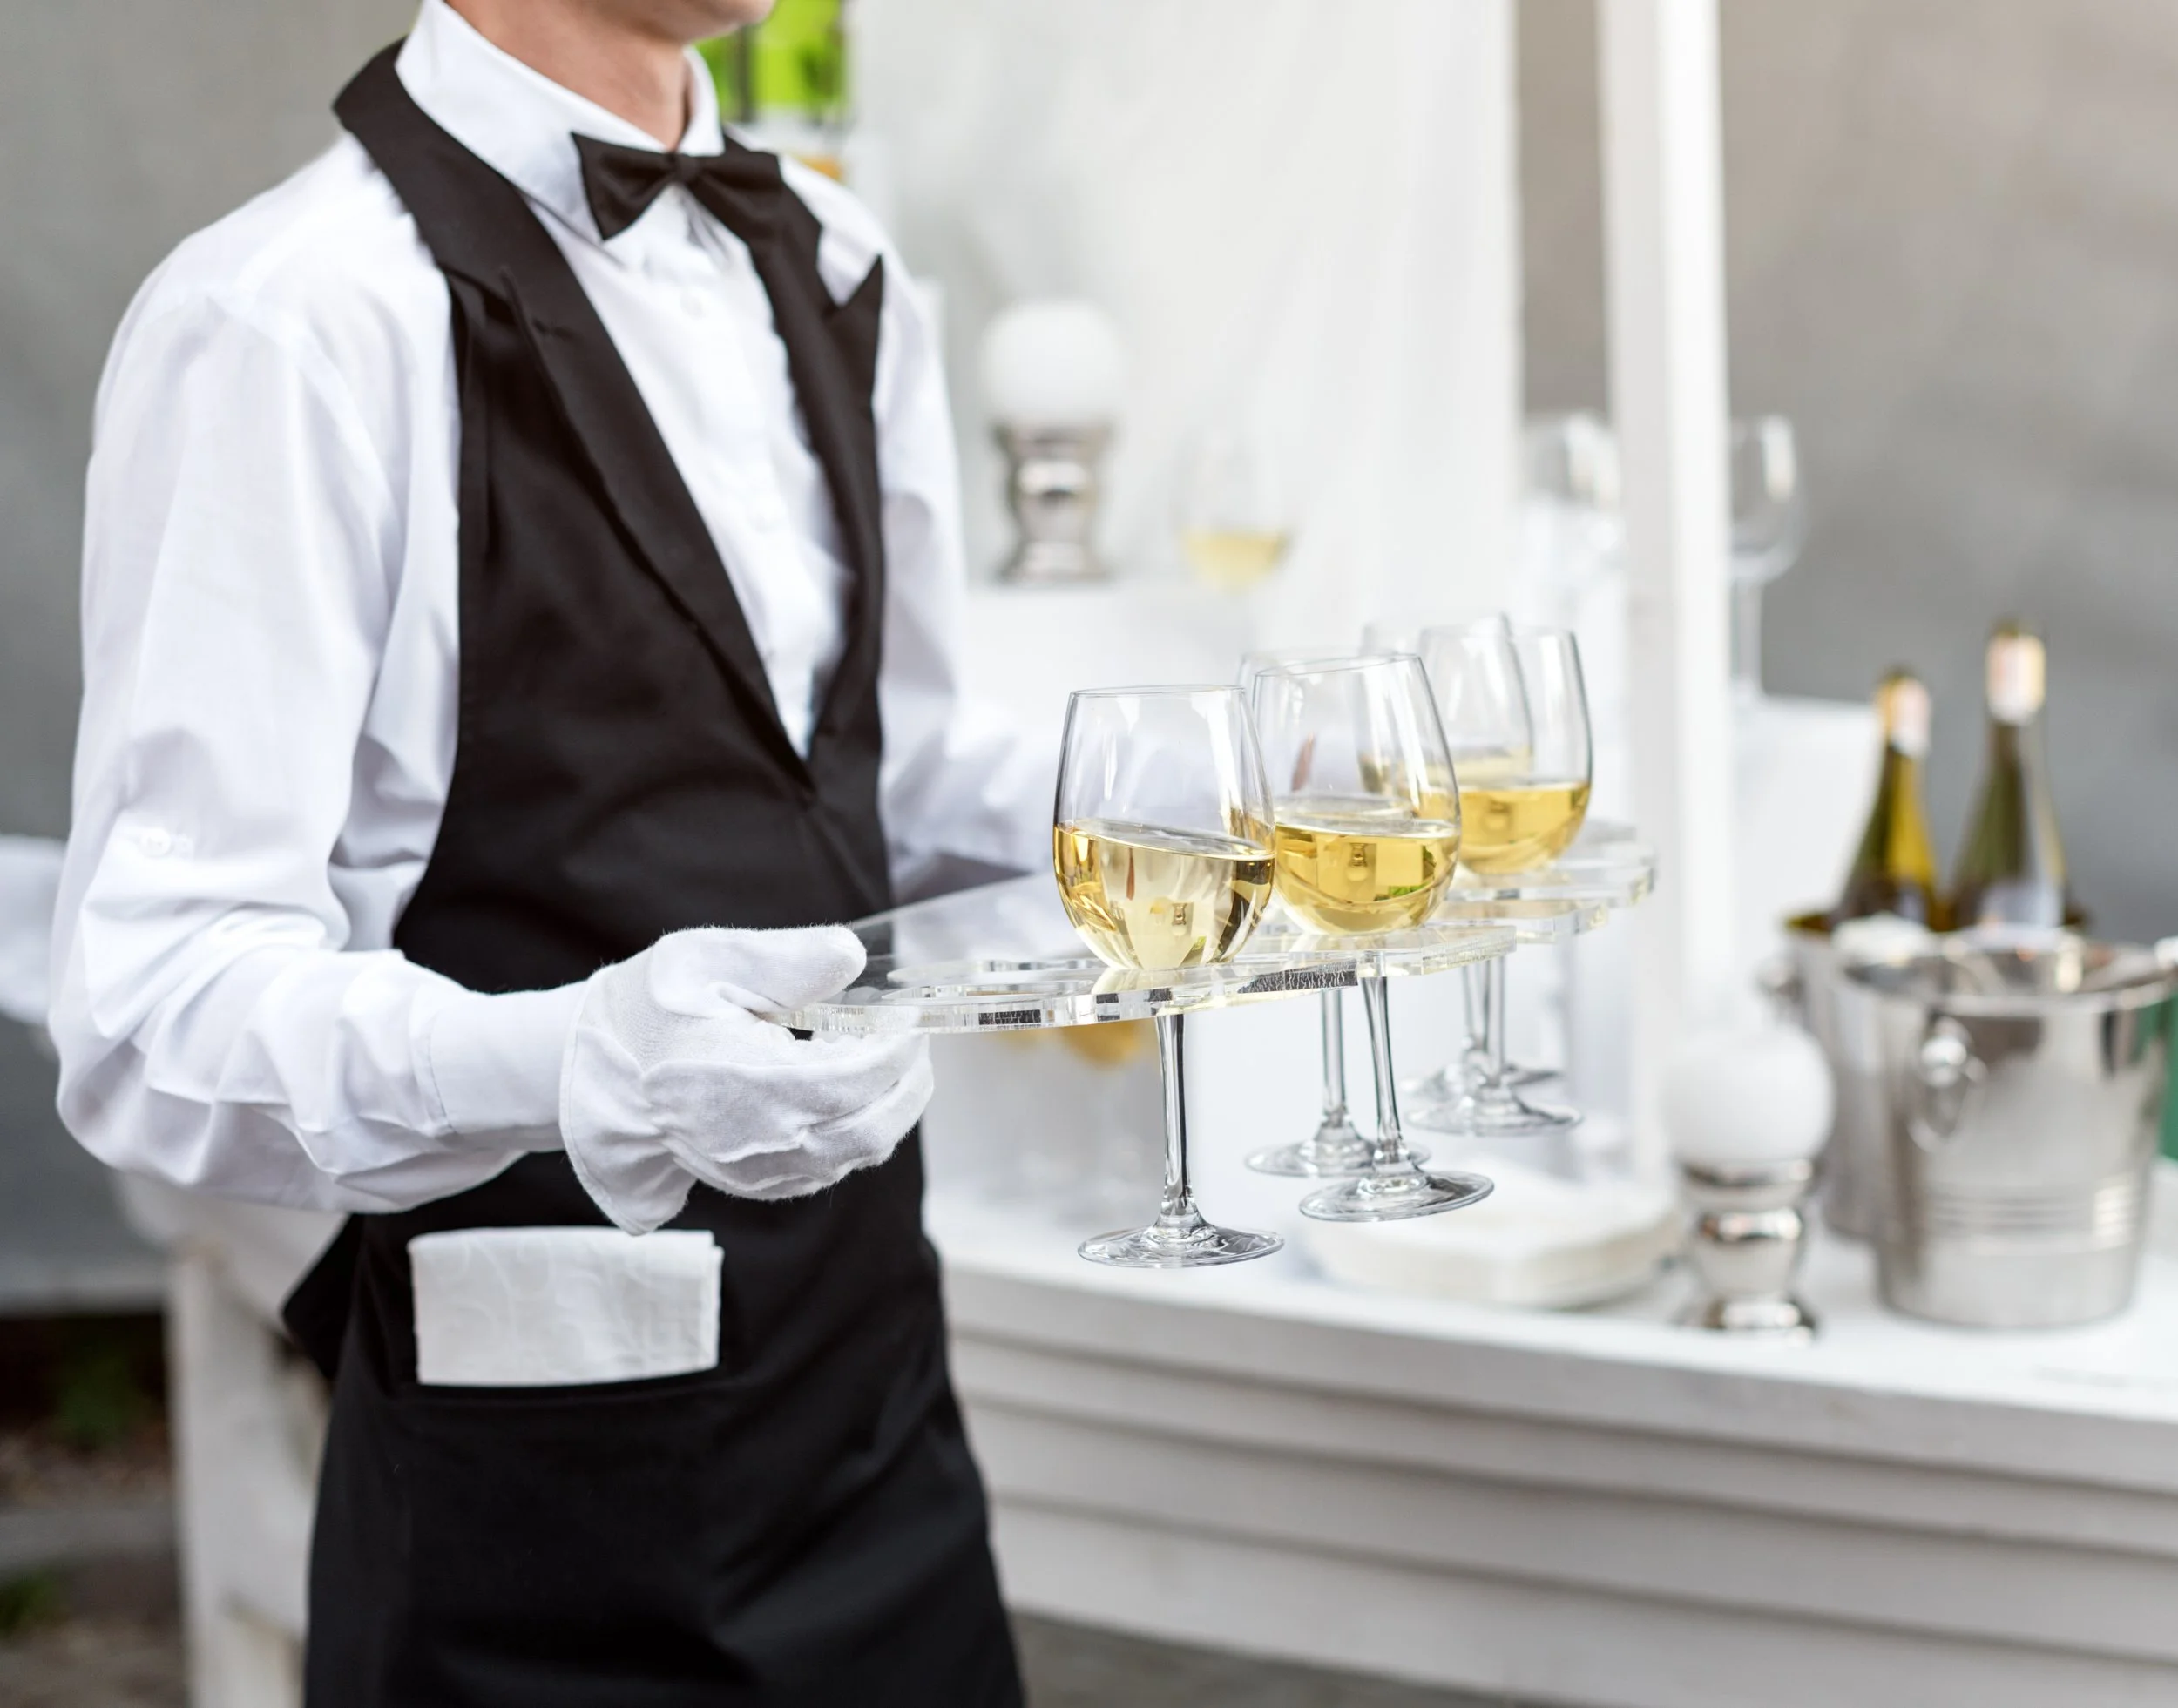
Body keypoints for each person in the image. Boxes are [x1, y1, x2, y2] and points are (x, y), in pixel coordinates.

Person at [50, 0, 1047, 1700]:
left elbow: (894, 770)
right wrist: (578, 1058)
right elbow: (153, 1011)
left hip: (882, 1434)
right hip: (541, 1538)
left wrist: (1213, 772)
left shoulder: (837, 258)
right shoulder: (287, 320)